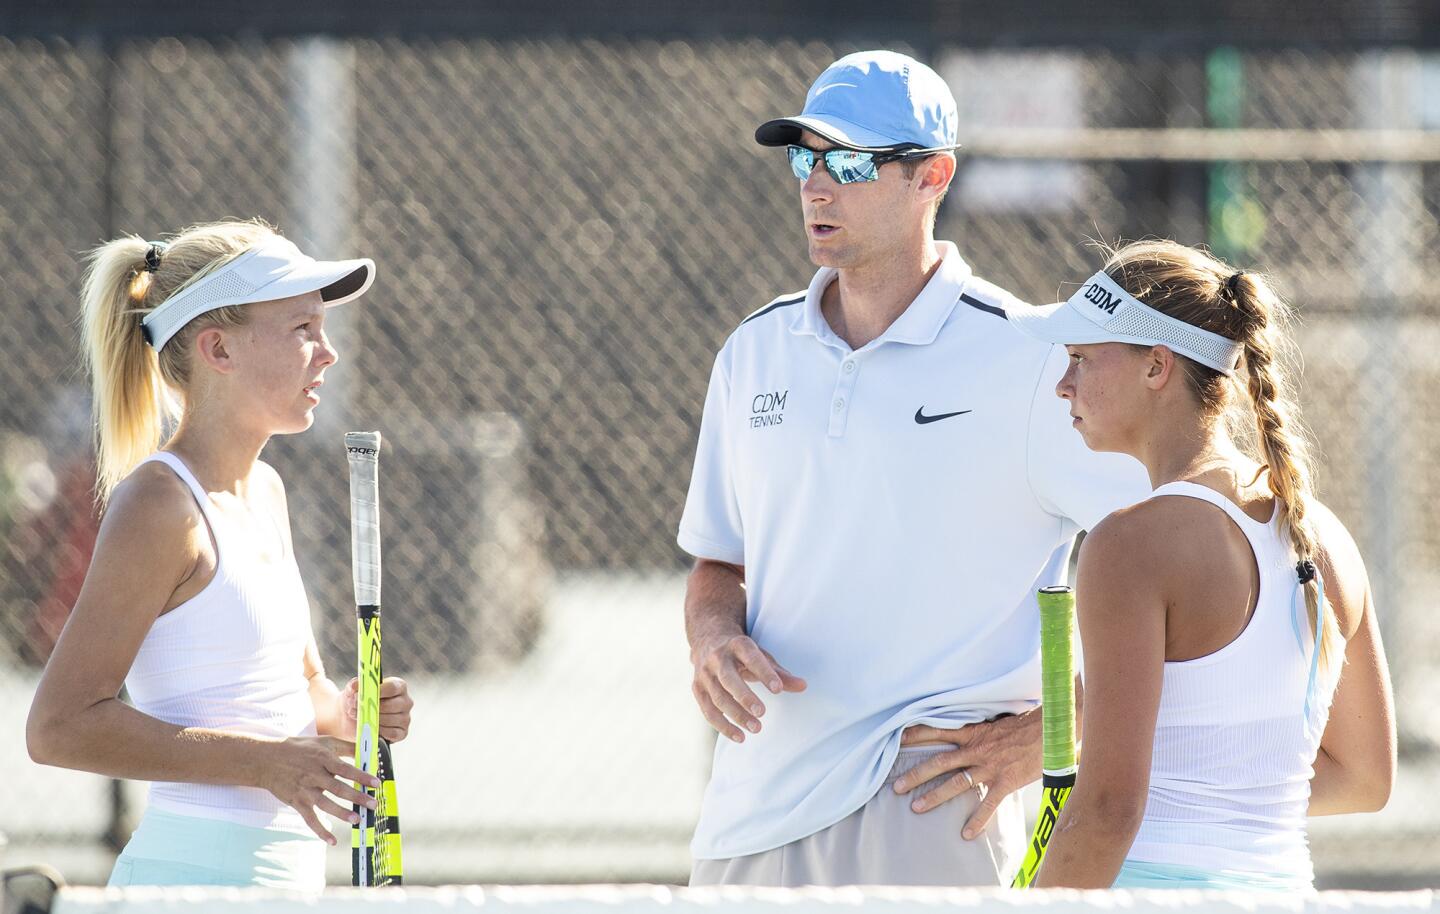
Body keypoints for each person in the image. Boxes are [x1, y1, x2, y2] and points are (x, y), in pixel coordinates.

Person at [678, 50, 1151, 887]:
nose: (817, 186)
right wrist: (713, 637)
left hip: (929, 810)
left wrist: (1054, 728)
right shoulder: (751, 352)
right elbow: (721, 561)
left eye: (852, 162)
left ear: (932, 176)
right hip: (747, 812)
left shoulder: (1032, 358)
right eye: (806, 157)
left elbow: (1172, 562)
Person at [25, 220, 414, 890]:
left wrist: (351, 715)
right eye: (302, 330)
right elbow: (58, 727)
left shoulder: (267, 491)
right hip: (187, 885)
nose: (328, 354)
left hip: (289, 887)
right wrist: (266, 764)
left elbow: (301, 690)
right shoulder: (158, 504)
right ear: (218, 349)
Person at [1005, 240, 1396, 890]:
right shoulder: (1326, 536)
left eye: (1079, 359)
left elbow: (1106, 813)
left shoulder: (1128, 547)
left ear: (1157, 366)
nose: (1062, 384)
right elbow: (1365, 780)